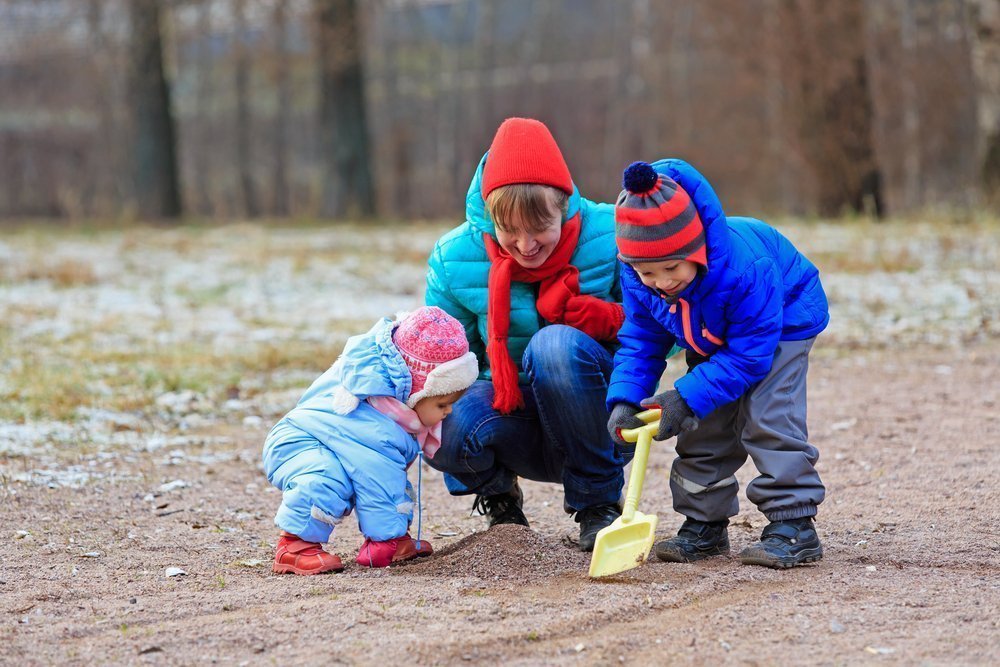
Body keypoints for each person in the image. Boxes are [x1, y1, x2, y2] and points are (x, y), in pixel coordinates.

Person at [606, 159, 830, 568]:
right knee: (703, 422)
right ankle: (704, 525)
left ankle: (794, 525)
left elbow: (748, 357)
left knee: (768, 415)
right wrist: (625, 399)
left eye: (672, 268)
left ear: (696, 250)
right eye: (647, 271)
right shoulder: (642, 281)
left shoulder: (746, 271)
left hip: (781, 321)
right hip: (713, 330)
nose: (661, 282)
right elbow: (641, 339)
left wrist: (685, 396)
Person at [424, 117, 626, 551]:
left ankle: (598, 503)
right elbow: (447, 365)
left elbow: (655, 334)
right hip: (509, 412)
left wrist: (605, 319)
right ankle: (499, 499)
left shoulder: (613, 235)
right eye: (509, 230)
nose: (525, 245)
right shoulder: (455, 257)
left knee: (552, 345)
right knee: (439, 420)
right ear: (488, 213)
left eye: (539, 228)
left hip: (598, 418)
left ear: (563, 204)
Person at [263, 306, 478, 574]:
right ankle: (294, 546)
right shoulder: (375, 421)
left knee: (382, 477)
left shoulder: (386, 399)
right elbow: (378, 480)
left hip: (323, 439)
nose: (448, 411)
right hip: (300, 442)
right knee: (326, 478)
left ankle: (393, 538)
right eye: (442, 403)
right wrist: (384, 543)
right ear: (415, 391)